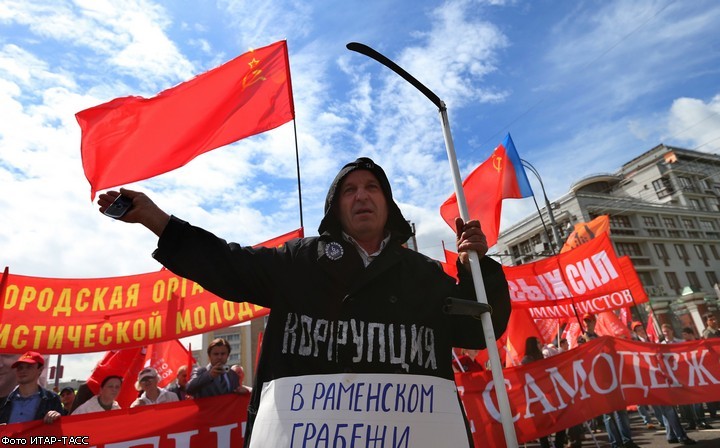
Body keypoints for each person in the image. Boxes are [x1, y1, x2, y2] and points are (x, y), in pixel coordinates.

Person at [97, 157, 511, 447]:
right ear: (336, 205)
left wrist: (481, 268)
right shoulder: (300, 260)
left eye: (371, 188)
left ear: (388, 204)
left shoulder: (423, 274)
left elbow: (478, 330)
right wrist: (158, 221)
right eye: (349, 190)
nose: (361, 196)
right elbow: (228, 264)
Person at [657, 324, 697, 445]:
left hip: (680, 378)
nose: (665, 333)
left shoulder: (680, 342)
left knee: (675, 407)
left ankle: (671, 434)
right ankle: (681, 436)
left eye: (667, 331)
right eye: (663, 332)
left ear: (672, 330)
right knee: (669, 409)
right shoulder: (658, 346)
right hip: (666, 380)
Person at [0, 351, 63, 424]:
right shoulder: (4, 401)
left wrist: (57, 417)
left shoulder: (52, 399)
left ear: (40, 370)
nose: (23, 371)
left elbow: (61, 429)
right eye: (20, 367)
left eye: (29, 367)